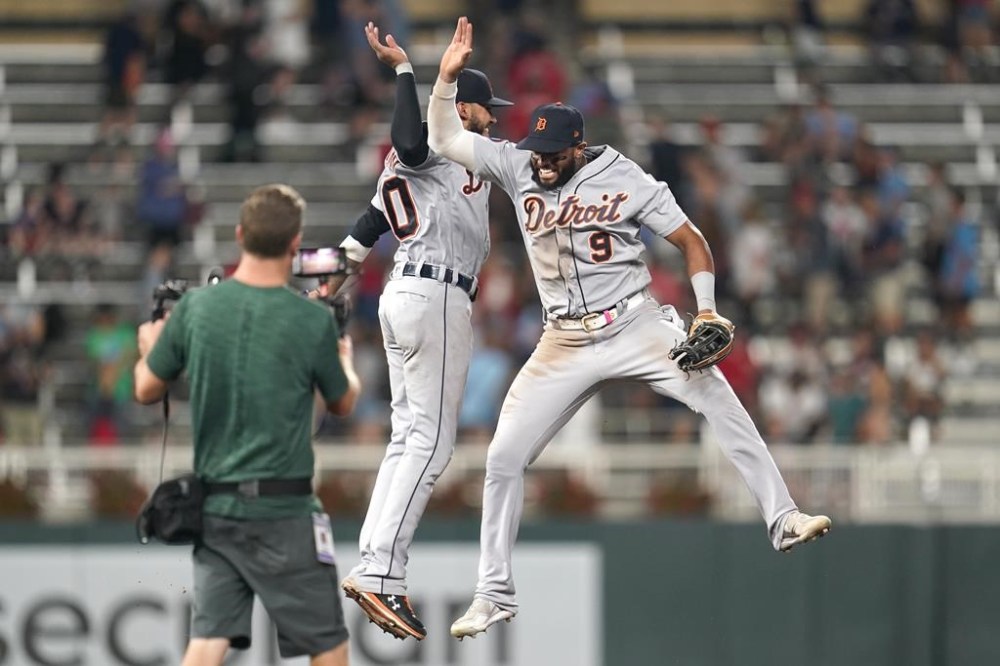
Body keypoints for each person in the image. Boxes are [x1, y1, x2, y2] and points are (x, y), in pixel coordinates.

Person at [427, 17, 832, 639]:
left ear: (580, 145)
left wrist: (704, 310)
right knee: (504, 458)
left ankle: (782, 518)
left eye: (553, 154)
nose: (542, 165)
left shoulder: (626, 178)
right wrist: (445, 82)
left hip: (636, 324)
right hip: (561, 340)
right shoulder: (516, 165)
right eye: (536, 153)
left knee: (720, 400)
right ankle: (493, 593)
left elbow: (692, 241)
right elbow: (446, 136)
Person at [331, 21, 512, 641]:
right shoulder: (443, 137)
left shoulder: (457, 155)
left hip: (406, 292)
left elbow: (370, 220)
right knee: (430, 444)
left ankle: (373, 562)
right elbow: (410, 144)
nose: (495, 120)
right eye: (487, 110)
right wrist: (411, 73)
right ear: (463, 106)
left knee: (409, 438)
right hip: (432, 293)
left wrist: (336, 274)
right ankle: (382, 570)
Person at [132, 184, 361, 666]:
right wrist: (346, 358)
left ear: (240, 235)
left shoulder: (195, 309)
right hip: (286, 510)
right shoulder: (310, 320)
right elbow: (342, 402)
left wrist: (150, 345)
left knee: (207, 642)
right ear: (295, 245)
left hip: (215, 507)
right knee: (327, 644)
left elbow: (146, 389)